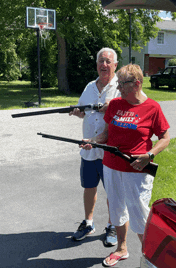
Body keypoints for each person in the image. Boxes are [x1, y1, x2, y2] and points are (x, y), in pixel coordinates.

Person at [81, 63, 170, 266]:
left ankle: (153, 257)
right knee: (116, 208)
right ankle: (121, 248)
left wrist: (150, 154)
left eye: (122, 84)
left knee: (139, 212)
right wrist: (92, 141)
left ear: (137, 84)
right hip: (111, 166)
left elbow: (165, 137)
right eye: (118, 83)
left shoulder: (152, 107)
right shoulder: (115, 105)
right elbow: (105, 134)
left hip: (137, 169)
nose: (118, 87)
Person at [69, 47, 120, 246]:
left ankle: (113, 225)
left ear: (115, 65)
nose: (104, 65)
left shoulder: (120, 86)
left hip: (110, 150)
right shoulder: (90, 86)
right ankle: (89, 223)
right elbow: (83, 111)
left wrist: (113, 105)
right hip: (88, 148)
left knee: (113, 191)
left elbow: (131, 106)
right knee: (89, 187)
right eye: (101, 61)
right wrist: (76, 112)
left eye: (108, 61)